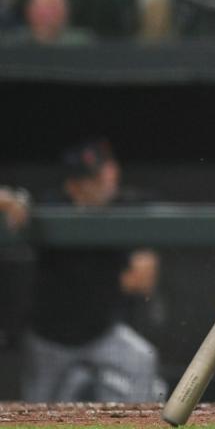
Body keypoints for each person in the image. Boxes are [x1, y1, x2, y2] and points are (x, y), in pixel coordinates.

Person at [21, 140, 164, 402]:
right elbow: (18, 209)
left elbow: (140, 281)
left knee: (142, 360)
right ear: (74, 184)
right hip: (52, 341)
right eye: (93, 178)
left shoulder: (124, 205)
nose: (105, 181)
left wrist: (145, 251)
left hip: (101, 334)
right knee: (38, 409)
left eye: (105, 172)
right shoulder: (50, 208)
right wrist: (13, 203)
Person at [3, 0, 93, 46]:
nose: (49, 14)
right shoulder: (11, 44)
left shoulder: (83, 44)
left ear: (66, 11)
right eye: (43, 7)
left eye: (54, 6)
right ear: (29, 11)